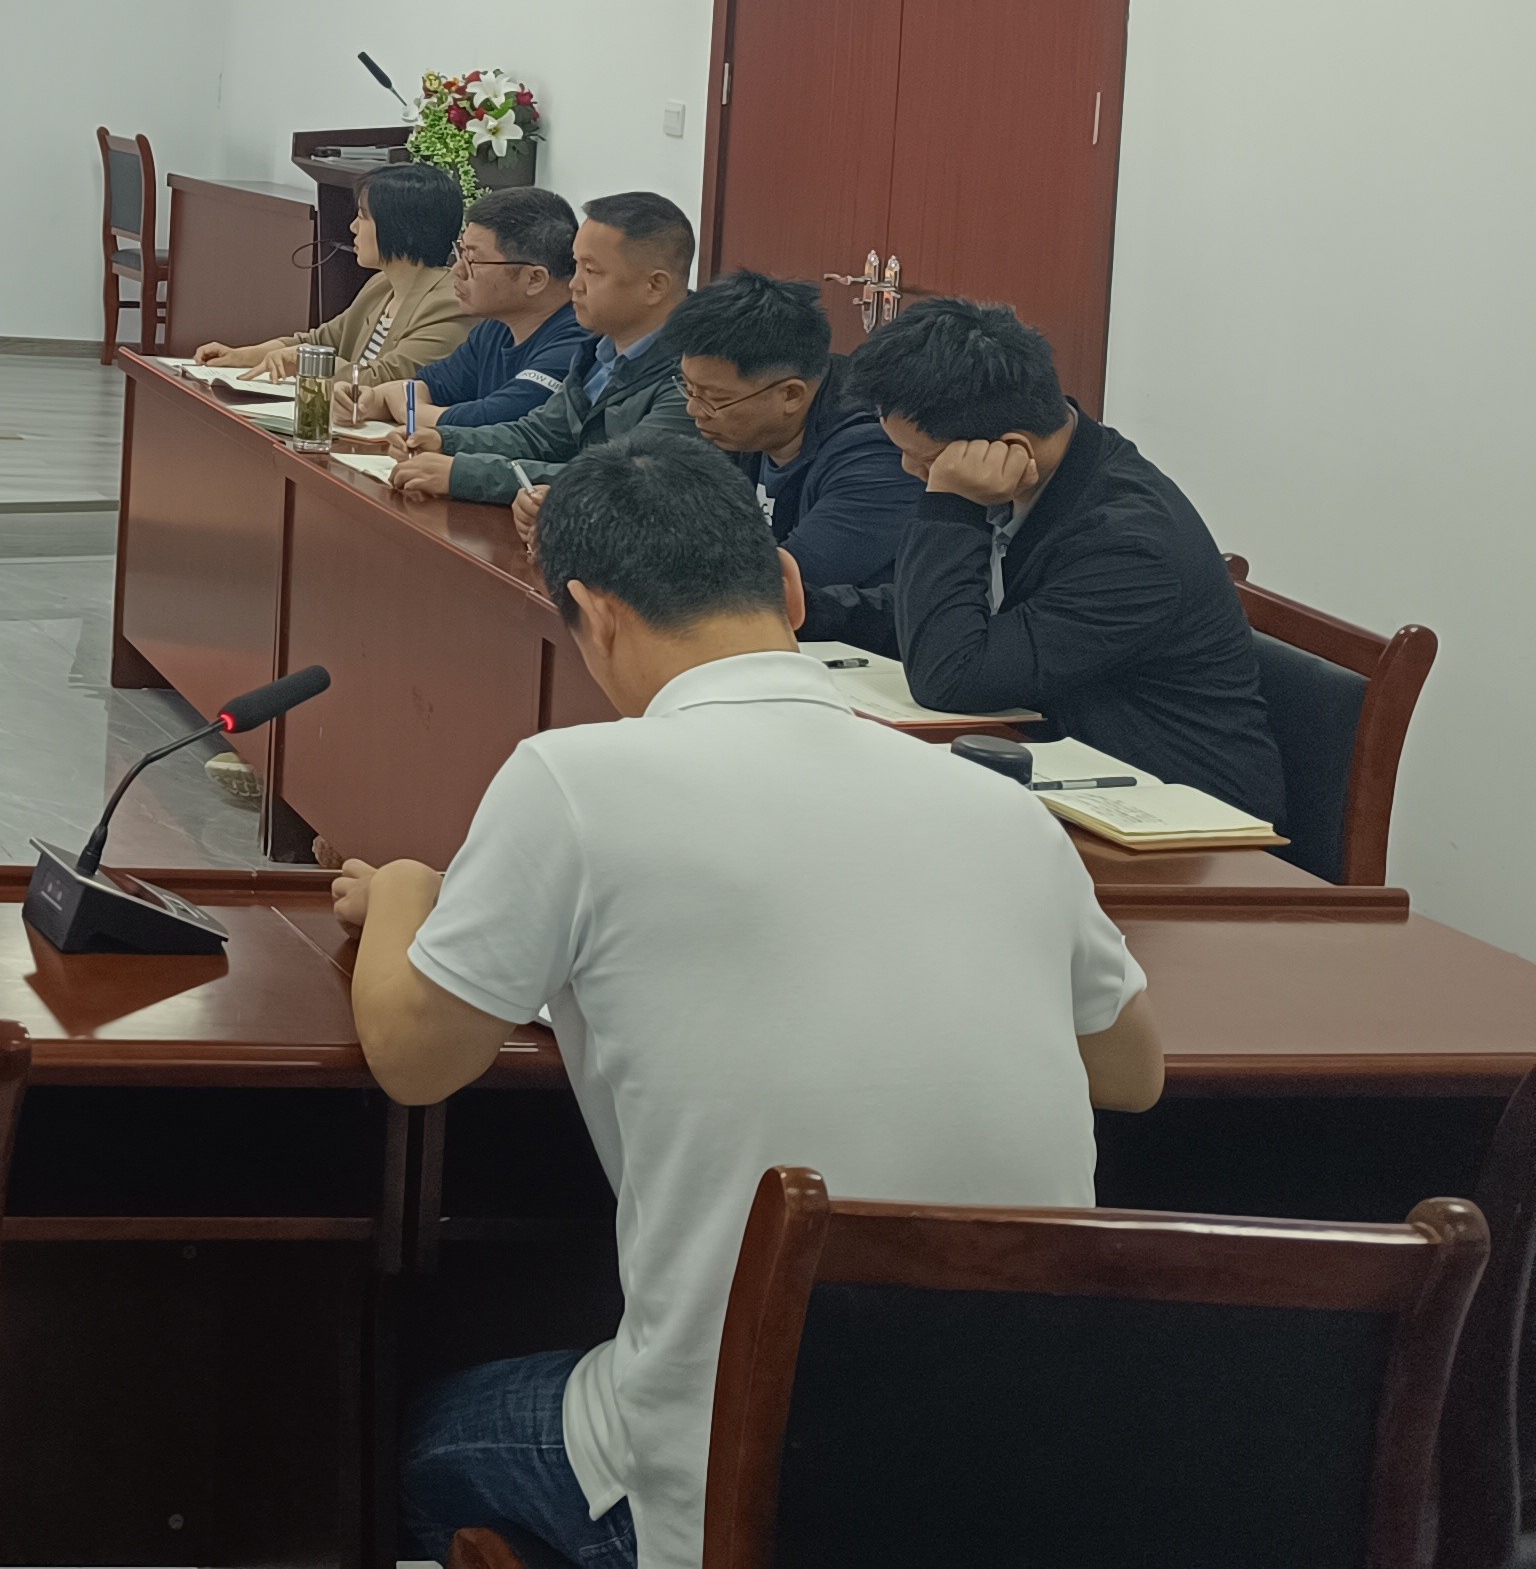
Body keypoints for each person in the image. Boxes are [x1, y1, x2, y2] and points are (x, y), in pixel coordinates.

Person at [337, 442, 1162, 1569]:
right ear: (788, 585)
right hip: (1011, 1479)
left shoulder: (574, 780)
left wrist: (403, 891)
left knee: (408, 1438)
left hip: (728, 1493)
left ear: (592, 614)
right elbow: (1132, 1074)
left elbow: (415, 1057)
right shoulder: (1001, 807)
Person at [846, 298, 1283, 819]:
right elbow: (955, 612)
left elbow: (952, 678)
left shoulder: (1130, 546)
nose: (909, 469)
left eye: (924, 459)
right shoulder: (1053, 471)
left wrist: (951, 506)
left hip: (1183, 817)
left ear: (1009, 447)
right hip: (1068, 768)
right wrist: (803, 607)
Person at [389, 192, 706, 518]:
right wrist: (446, 441)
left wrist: (464, 473)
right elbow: (540, 434)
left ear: (655, 286)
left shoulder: (695, 376)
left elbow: (622, 481)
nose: (574, 284)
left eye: (591, 270)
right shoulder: (599, 350)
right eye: (576, 265)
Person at [665, 269, 924, 650]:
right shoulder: (743, 427)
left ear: (790, 394)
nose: (694, 409)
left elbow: (775, 588)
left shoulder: (874, 456)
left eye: (713, 398)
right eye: (689, 389)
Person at [195, 158, 469, 390]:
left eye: (363, 217)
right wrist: (241, 356)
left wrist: (307, 361)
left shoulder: (449, 304)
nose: (352, 227)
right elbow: (317, 341)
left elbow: (385, 380)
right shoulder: (381, 285)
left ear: (401, 229)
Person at [351, 185, 586, 433]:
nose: (458, 270)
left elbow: (498, 419)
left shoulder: (576, 341)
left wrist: (412, 412)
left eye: (473, 260)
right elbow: (428, 386)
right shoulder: (496, 328)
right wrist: (372, 400)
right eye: (460, 253)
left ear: (534, 279)